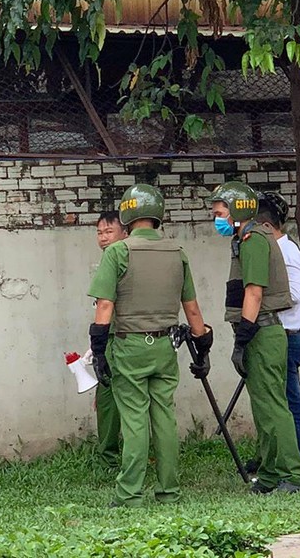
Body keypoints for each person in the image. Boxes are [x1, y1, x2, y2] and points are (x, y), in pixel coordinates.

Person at [88, 184, 212, 506]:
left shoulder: (118, 252)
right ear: (158, 215)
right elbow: (193, 310)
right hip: (165, 347)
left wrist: (98, 349)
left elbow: (104, 306)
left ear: (127, 216)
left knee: (134, 419)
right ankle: (168, 491)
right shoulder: (177, 253)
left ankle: (129, 493)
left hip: (129, 347)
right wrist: (203, 343)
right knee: (164, 417)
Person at [207, 181, 300, 493]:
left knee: (274, 406)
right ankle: (268, 476)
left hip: (262, 333)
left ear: (237, 211)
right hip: (260, 332)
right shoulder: (246, 239)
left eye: (220, 211)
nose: (216, 217)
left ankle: (294, 475)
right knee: (264, 408)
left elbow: (254, 291)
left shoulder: (253, 239)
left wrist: (243, 339)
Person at [255, 192, 300, 485]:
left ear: (265, 225)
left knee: (291, 403)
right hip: (276, 335)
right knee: (280, 401)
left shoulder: (286, 252)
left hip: (287, 336)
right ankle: (280, 460)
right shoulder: (273, 249)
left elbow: (293, 295)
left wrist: (259, 300)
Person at [94, 211, 128, 468]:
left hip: (125, 338)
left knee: (128, 399)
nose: (103, 238)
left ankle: (126, 456)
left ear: (124, 233)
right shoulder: (106, 261)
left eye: (109, 232)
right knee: (105, 397)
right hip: (109, 337)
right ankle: (108, 457)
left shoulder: (125, 259)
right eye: (99, 232)